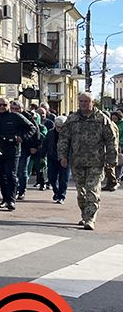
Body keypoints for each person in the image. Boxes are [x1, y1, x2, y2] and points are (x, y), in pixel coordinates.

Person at [59, 92, 119, 230]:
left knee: (92, 191)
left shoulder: (102, 119)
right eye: (81, 101)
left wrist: (112, 159)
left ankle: (90, 219)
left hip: (96, 162)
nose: (83, 104)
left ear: (93, 103)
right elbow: (64, 139)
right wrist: (62, 156)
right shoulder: (72, 119)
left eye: (86, 101)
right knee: (81, 193)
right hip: (77, 162)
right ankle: (85, 214)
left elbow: (111, 140)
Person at [0, 98, 37, 211]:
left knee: (11, 175)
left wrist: (22, 137)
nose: (2, 107)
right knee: (1, 176)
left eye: (4, 104)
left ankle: (11, 200)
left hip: (13, 150)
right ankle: (5, 199)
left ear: (8, 105)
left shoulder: (15, 116)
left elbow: (32, 127)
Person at [43, 115, 69, 204]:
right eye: (58, 127)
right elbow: (45, 144)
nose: (59, 129)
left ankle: (61, 196)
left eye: (61, 127)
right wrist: (42, 156)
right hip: (52, 158)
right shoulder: (50, 133)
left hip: (65, 158)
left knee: (63, 178)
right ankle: (56, 191)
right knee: (51, 177)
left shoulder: (69, 134)